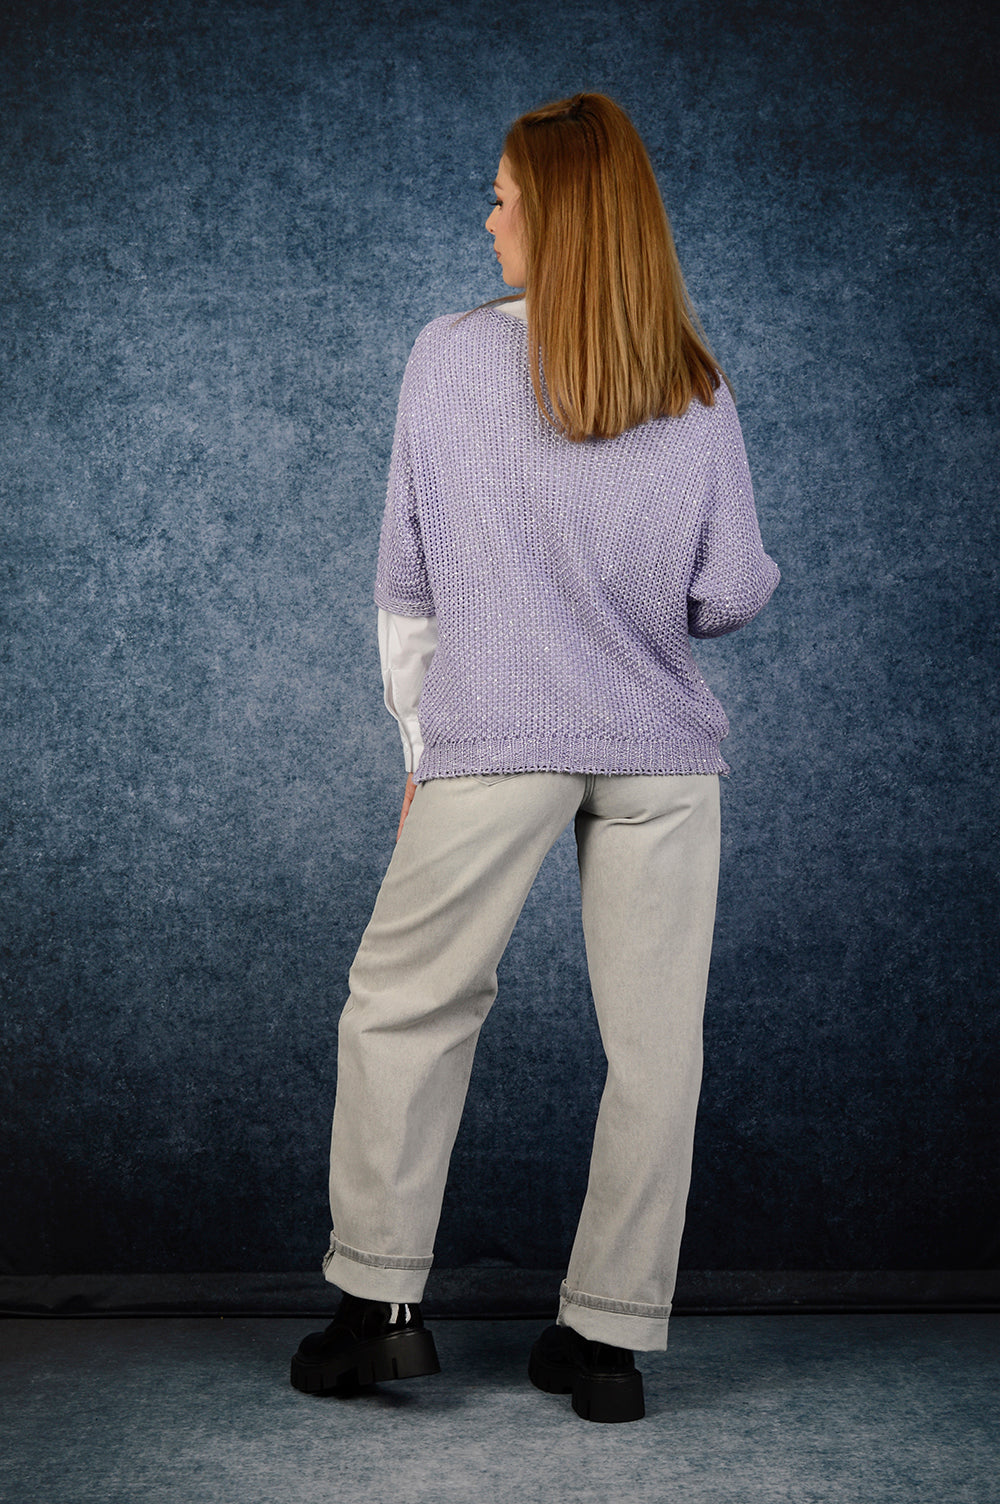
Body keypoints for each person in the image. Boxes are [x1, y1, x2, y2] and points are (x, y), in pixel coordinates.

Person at [290, 92, 779, 1423]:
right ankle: (605, 1341)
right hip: (662, 755)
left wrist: (421, 743)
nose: (489, 219)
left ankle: (379, 1311)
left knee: (409, 1005)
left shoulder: (448, 356)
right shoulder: (694, 380)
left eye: (504, 196)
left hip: (496, 735)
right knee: (657, 1049)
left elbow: (407, 580)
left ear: (556, 212)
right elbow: (729, 592)